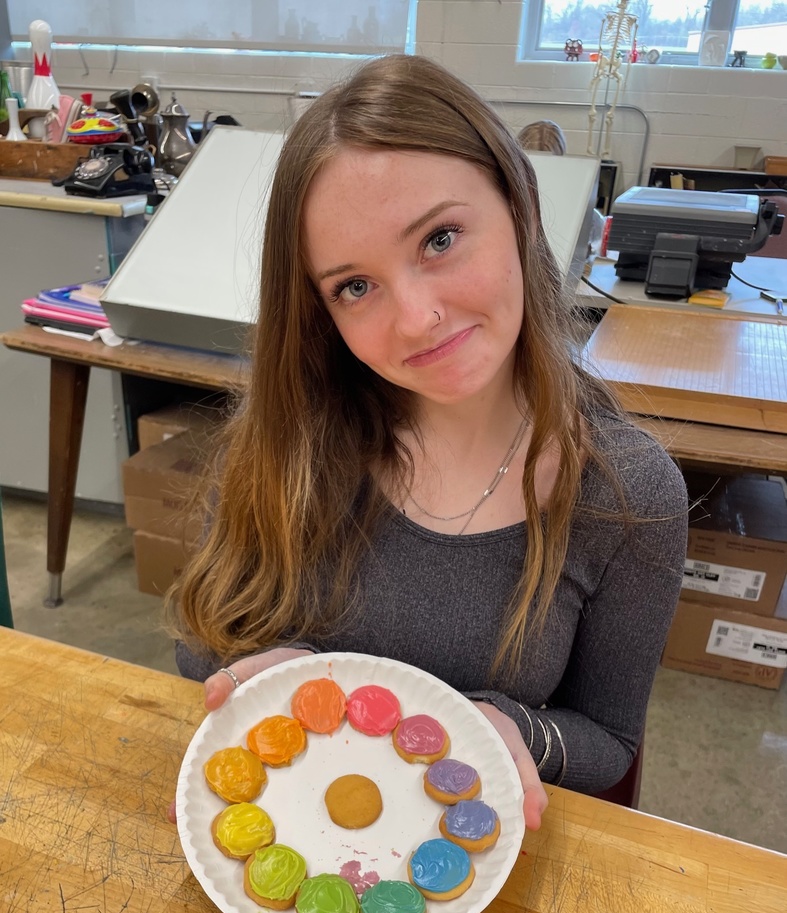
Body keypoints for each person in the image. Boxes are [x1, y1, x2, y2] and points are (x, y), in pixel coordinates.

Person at [166, 54, 687, 832]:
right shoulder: (283, 443)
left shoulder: (626, 495)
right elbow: (201, 645)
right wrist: (266, 675)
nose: (414, 318)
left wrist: (509, 728)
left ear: (520, 210)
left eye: (440, 239)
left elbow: (608, 741)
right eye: (354, 286)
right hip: (295, 842)